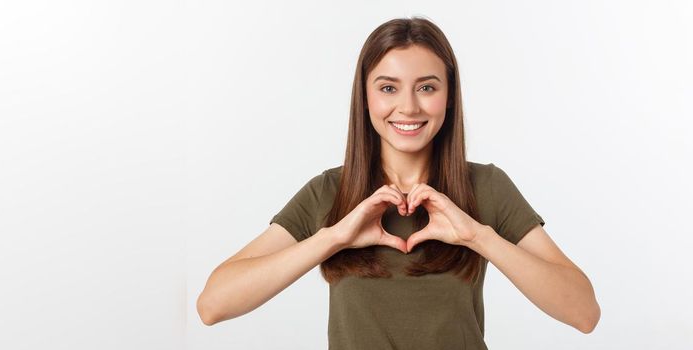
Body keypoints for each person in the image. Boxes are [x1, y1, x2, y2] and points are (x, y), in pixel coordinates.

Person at [196, 16, 600, 349]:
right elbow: (212, 305)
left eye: (427, 87)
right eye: (388, 87)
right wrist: (333, 238)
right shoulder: (329, 193)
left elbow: (584, 313)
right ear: (366, 96)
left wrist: (477, 237)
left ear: (449, 96)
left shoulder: (485, 186)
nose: (408, 106)